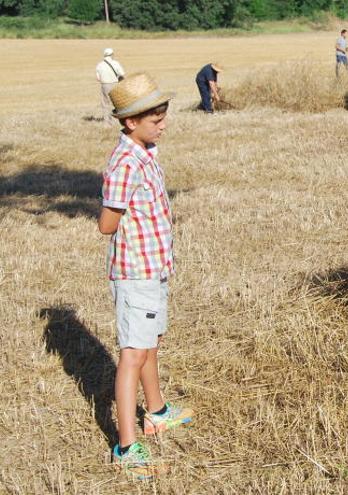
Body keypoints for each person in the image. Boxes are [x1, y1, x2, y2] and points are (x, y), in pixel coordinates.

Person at [100, 73, 194, 479]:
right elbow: (107, 224)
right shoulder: (124, 163)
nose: (163, 124)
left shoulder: (146, 152)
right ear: (130, 122)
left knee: (151, 344)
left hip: (153, 269)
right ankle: (126, 445)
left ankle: (155, 413)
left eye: (163, 116)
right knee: (132, 356)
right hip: (136, 273)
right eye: (155, 119)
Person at [95, 48, 125, 124]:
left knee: (105, 103)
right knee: (115, 103)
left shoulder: (99, 65)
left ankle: (106, 122)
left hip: (105, 85)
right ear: (112, 54)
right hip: (115, 84)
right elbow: (122, 73)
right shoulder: (116, 63)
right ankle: (116, 120)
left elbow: (98, 78)